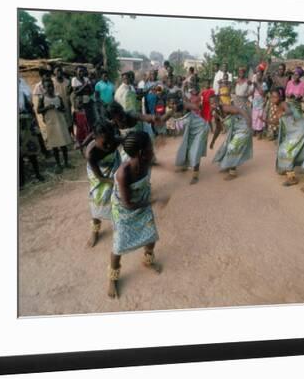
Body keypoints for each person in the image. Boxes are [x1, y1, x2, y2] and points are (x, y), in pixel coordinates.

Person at [108, 131, 163, 298]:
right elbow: (127, 204)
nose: (153, 150)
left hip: (142, 202)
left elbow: (156, 165)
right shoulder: (123, 173)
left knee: (151, 235)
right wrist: (152, 202)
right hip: (125, 210)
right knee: (119, 245)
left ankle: (148, 260)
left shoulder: (146, 161)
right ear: (141, 153)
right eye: (150, 148)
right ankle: (113, 278)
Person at [85, 121, 121, 247]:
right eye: (105, 143)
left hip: (114, 164)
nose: (109, 145)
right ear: (95, 138)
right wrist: (117, 181)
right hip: (98, 175)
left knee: (118, 197)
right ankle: (95, 230)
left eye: (111, 141)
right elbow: (100, 178)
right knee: (98, 199)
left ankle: (119, 224)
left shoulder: (115, 141)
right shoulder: (91, 154)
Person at [163, 93, 210, 184]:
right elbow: (161, 119)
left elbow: (196, 107)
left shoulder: (185, 106)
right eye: (169, 103)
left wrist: (184, 104)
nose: (172, 105)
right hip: (191, 131)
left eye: (173, 103)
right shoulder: (171, 111)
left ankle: (195, 175)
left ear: (178, 101)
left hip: (201, 129)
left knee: (195, 151)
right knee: (186, 149)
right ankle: (185, 166)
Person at [210, 96, 253, 180]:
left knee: (232, 147)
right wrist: (213, 141)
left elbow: (240, 110)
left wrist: (248, 119)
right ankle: (228, 164)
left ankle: (233, 173)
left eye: (215, 102)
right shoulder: (216, 114)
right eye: (211, 103)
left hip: (243, 128)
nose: (213, 104)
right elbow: (218, 128)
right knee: (225, 147)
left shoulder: (225, 108)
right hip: (235, 130)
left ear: (219, 102)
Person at [37, 78, 73, 169]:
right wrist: (47, 108)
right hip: (51, 124)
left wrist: (58, 108)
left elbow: (63, 109)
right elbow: (38, 110)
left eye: (51, 86)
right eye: (47, 86)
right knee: (54, 145)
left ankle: (66, 162)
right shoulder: (42, 98)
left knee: (63, 143)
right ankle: (58, 164)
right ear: (44, 88)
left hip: (60, 122)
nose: (50, 88)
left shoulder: (58, 97)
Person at [276, 95, 304, 186]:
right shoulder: (283, 105)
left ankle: (292, 178)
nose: (272, 99)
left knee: (285, 151)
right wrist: (264, 120)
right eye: (271, 96)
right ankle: (289, 172)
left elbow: (289, 111)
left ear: (280, 96)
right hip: (297, 129)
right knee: (288, 151)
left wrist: (282, 114)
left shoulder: (284, 104)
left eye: (275, 96)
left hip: (299, 129)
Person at [19, 77, 44, 187]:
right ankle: (21, 179)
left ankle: (37, 173)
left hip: (26, 120)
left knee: (31, 148)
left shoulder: (22, 83)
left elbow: (30, 104)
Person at [52, 65, 73, 137]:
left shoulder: (67, 81)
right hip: (57, 104)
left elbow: (70, 92)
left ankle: (71, 135)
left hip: (67, 103)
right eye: (57, 71)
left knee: (69, 120)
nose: (59, 72)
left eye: (60, 70)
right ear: (54, 72)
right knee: (60, 120)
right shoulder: (52, 82)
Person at [251, 70, 267, 138]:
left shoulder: (264, 84)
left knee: (260, 117)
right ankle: (254, 130)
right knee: (254, 116)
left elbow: (263, 93)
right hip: (255, 102)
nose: (258, 76)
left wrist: (257, 86)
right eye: (257, 75)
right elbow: (252, 92)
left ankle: (259, 132)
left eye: (259, 75)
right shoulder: (255, 83)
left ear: (262, 76)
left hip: (261, 102)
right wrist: (252, 100)